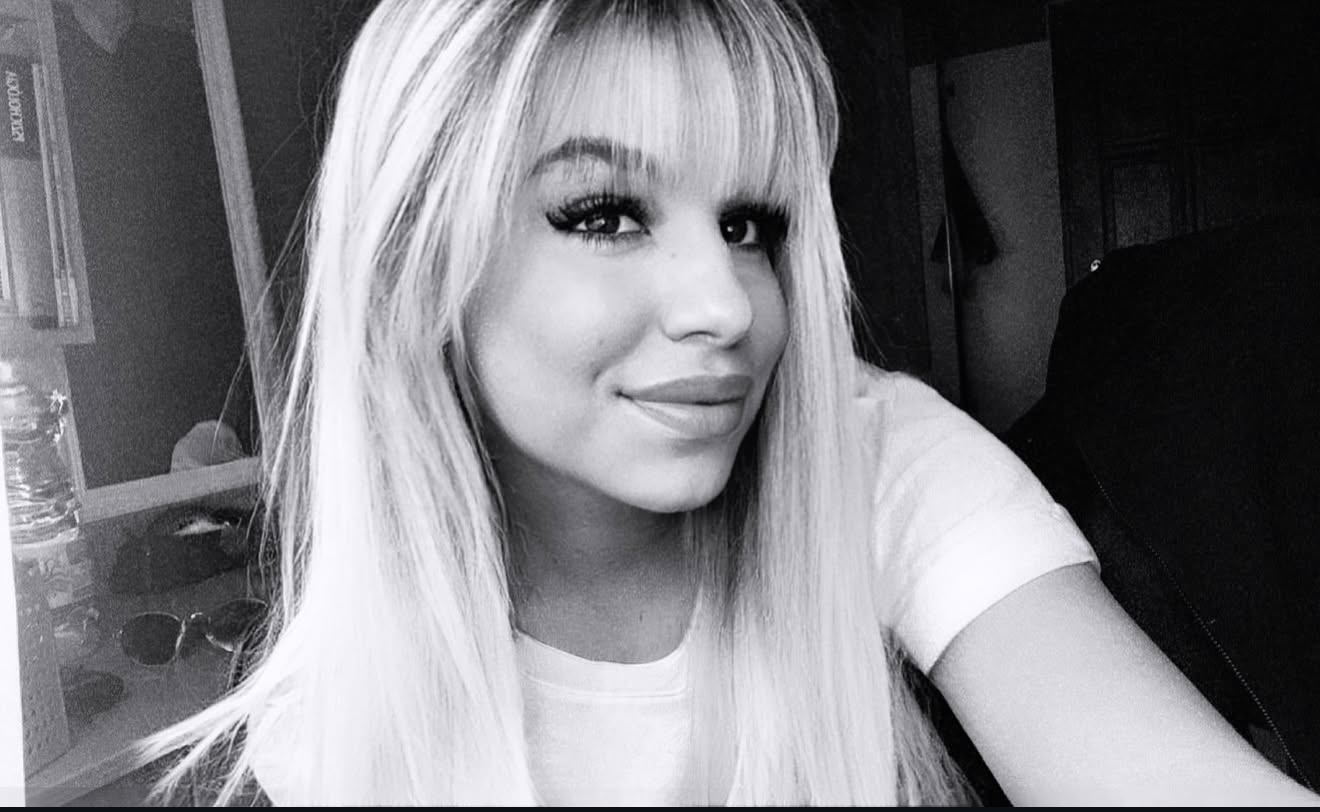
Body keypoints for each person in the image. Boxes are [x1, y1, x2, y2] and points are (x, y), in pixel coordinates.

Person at [139, 0, 1319, 805]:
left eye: (750, 223)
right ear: (418, 263)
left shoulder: (875, 454)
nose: (728, 304)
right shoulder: (315, 739)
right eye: (605, 213)